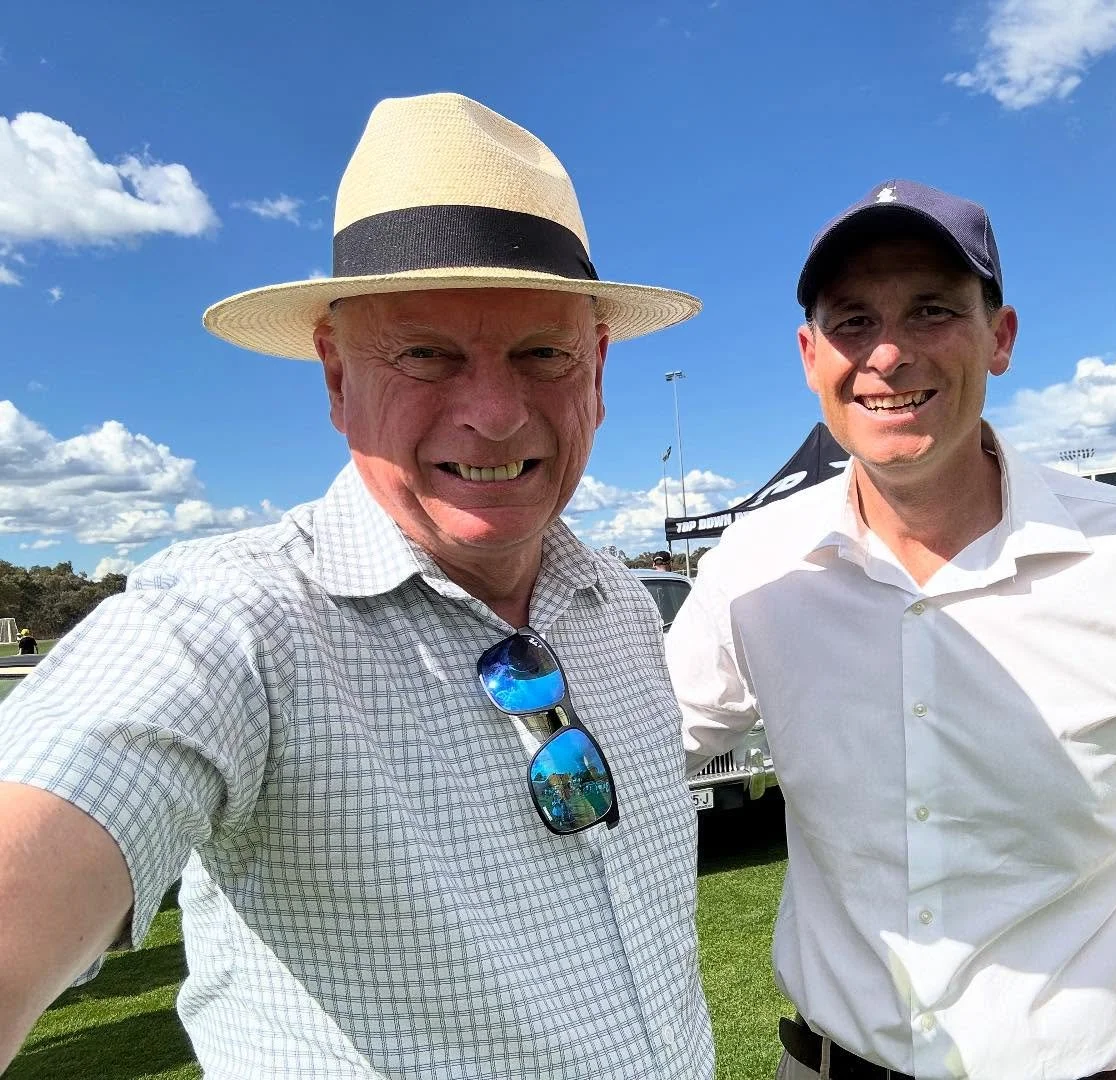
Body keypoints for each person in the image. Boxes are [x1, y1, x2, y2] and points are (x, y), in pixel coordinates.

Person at [0, 93, 714, 1078]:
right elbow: (64, 801)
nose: (497, 415)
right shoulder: (238, 620)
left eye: (541, 353)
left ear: (596, 369)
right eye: (425, 354)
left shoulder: (621, 606)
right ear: (336, 377)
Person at [667, 180, 1116, 1080]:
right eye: (852, 321)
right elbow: (640, 755)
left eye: (933, 310)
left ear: (1002, 337)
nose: (889, 354)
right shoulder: (757, 563)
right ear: (808, 354)